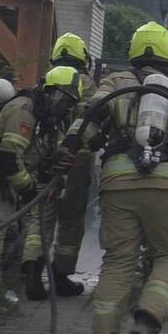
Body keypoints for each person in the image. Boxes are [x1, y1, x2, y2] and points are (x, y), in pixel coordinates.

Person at [56, 22, 168, 334]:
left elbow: (88, 119)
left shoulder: (114, 82)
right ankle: (148, 319)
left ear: (133, 51)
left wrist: (68, 150)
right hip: (167, 185)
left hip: (117, 184)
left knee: (118, 261)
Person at [0, 65, 82, 327]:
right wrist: (28, 189)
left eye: (69, 102)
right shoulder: (25, 110)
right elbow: (10, 159)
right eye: (62, 98)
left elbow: (33, 158)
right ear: (49, 91)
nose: (64, 106)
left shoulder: (44, 120)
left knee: (8, 235)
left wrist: (53, 163)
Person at [20, 33, 98, 299]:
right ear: (82, 57)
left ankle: (32, 274)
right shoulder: (86, 83)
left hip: (45, 155)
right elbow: (94, 120)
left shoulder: (47, 81)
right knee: (71, 219)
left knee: (41, 215)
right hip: (77, 159)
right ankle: (60, 278)